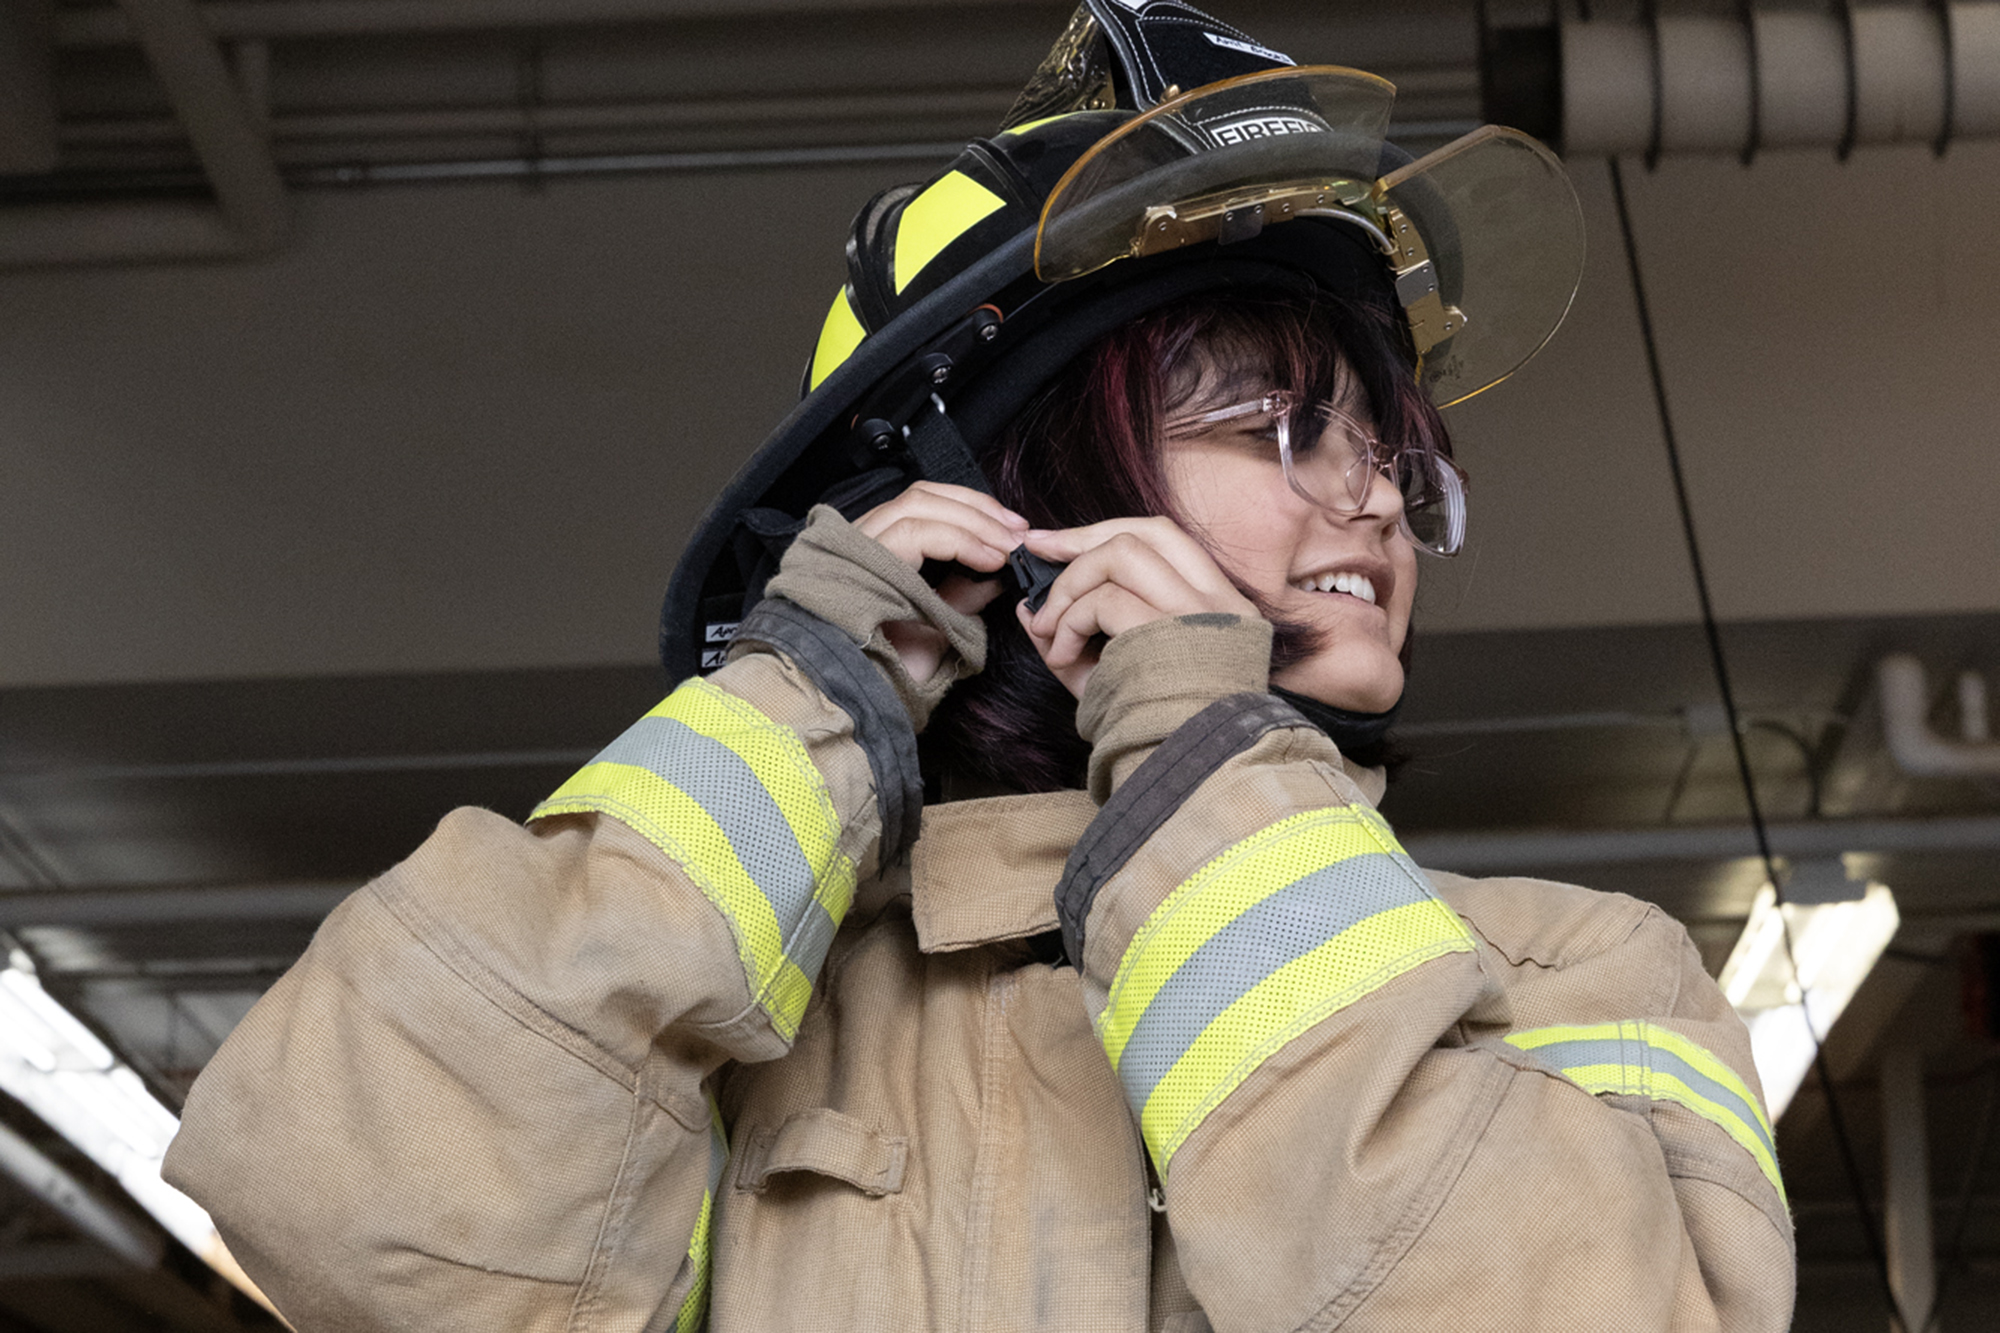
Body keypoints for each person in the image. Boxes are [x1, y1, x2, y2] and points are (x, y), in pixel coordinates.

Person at [163, 4, 1796, 1330]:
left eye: (1391, 448)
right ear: (1008, 493)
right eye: (1277, 423)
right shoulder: (741, 1045)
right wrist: (816, 691)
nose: (1371, 496)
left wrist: (1202, 764)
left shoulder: (1578, 975)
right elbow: (352, 1219)